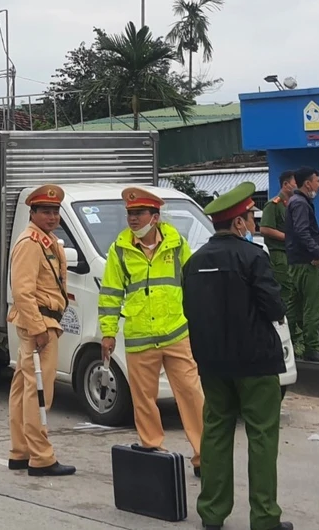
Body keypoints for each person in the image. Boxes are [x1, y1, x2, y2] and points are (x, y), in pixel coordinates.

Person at [182, 181, 292, 530]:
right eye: (251, 218)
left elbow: (189, 310)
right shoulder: (254, 257)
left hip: (212, 363)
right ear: (239, 222)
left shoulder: (194, 262)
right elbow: (274, 307)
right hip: (256, 362)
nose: (253, 223)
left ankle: (212, 513)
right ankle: (265, 517)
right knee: (262, 436)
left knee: (215, 431)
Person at [98, 187, 205, 476]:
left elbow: (192, 284)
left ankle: (204, 456)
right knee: (144, 400)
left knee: (191, 395)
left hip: (175, 333)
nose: (133, 219)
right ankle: (153, 451)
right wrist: (108, 333)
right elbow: (110, 295)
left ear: (155, 217)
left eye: (139, 213)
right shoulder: (120, 249)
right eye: (130, 214)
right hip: (140, 338)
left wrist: (199, 323)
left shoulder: (176, 244)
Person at [7, 184, 75, 477]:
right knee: (38, 391)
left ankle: (21, 452)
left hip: (43, 322)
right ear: (32, 213)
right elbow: (22, 291)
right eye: (45, 211)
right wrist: (38, 328)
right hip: (40, 324)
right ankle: (41, 458)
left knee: (23, 390)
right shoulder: (30, 243)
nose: (52, 216)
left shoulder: (46, 241)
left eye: (55, 211)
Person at [286, 166, 319, 363]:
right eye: (317, 181)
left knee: (293, 307)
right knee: (311, 307)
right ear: (307, 183)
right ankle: (312, 348)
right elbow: (302, 231)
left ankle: (287, 344)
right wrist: (316, 253)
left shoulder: (296, 202)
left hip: (296, 262)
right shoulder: (301, 204)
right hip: (306, 263)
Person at [259, 170, 297, 341]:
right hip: (278, 254)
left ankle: (295, 334)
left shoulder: (293, 204)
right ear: (286, 184)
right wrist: (288, 237)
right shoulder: (274, 205)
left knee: (294, 293)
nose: (297, 186)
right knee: (285, 293)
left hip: (292, 254)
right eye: (295, 183)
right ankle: (286, 334)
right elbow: (265, 228)